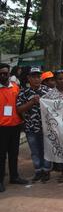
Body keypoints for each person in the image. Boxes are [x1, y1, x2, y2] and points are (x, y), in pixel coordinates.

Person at [16, 67, 51, 183]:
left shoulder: (48, 91)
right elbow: (19, 109)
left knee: (46, 149)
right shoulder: (23, 92)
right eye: (34, 77)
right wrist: (32, 102)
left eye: (38, 76)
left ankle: (46, 170)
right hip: (30, 127)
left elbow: (54, 108)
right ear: (28, 78)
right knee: (35, 151)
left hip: (46, 128)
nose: (37, 79)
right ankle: (38, 170)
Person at [0, 63, 28, 192]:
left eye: (5, 73)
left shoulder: (16, 87)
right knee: (1, 155)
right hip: (1, 128)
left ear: (9, 73)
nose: (3, 75)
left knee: (13, 153)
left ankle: (14, 176)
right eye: (0, 73)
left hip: (15, 126)